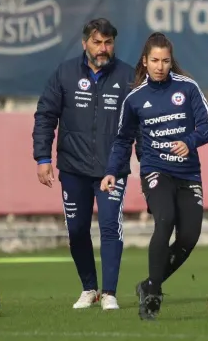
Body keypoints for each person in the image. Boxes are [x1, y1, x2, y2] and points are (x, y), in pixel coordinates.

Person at [100, 32, 208, 320]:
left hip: (188, 174)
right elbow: (123, 140)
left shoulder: (187, 88)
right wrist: (112, 171)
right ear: (145, 62)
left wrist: (190, 141)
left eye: (165, 61)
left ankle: (149, 284)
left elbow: (207, 126)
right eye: (154, 61)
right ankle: (152, 298)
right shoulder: (135, 98)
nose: (160, 66)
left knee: (189, 237)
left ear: (170, 61)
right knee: (165, 221)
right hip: (155, 170)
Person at [32, 18, 137, 310]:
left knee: (109, 227)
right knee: (77, 230)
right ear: (84, 44)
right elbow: (45, 116)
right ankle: (89, 288)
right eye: (97, 42)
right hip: (73, 168)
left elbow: (140, 125)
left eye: (108, 42)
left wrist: (149, 165)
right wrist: (43, 158)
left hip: (111, 170)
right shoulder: (65, 74)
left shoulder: (128, 77)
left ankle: (110, 293)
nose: (103, 49)